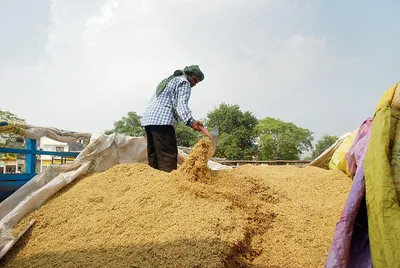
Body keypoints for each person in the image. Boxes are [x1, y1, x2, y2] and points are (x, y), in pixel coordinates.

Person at [141, 65, 205, 172]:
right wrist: (191, 121)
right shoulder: (184, 82)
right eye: (194, 80)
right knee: (167, 157)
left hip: (149, 121)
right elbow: (181, 105)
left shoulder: (170, 80)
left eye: (197, 82)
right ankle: (168, 186)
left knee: (154, 157)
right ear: (188, 75)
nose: (194, 83)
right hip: (163, 121)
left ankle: (155, 185)